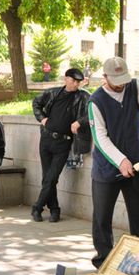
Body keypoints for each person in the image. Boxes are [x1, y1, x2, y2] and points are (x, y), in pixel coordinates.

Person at [88, 56, 139, 267]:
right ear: (105, 77)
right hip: (106, 169)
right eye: (116, 80)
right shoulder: (95, 101)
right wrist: (121, 161)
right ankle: (104, 262)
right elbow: (100, 138)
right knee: (102, 218)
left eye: (124, 79)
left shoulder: (135, 86)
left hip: (136, 165)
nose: (121, 84)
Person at [31, 68, 90, 222]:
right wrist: (42, 119)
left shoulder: (83, 96)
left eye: (79, 82)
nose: (77, 84)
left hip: (64, 142)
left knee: (52, 178)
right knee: (47, 178)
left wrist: (79, 122)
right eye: (74, 81)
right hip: (46, 140)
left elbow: (92, 112)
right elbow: (36, 102)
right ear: (66, 79)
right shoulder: (52, 93)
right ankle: (54, 210)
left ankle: (37, 207)